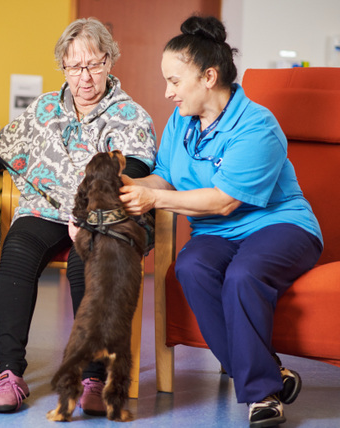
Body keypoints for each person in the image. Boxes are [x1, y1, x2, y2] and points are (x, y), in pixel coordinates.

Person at [0, 18, 156, 414]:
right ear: (62, 66)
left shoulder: (129, 114)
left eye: (94, 64)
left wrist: (89, 215)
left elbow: (131, 170)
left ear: (110, 61)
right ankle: (9, 374)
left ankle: (93, 377)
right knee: (17, 252)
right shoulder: (45, 108)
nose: (84, 77)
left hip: (102, 214)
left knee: (86, 264)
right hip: (44, 208)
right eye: (74, 66)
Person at [119, 16, 322, 428]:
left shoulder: (258, 126)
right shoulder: (180, 122)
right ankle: (270, 372)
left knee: (243, 275)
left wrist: (153, 198)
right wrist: (130, 186)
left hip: (280, 225)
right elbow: (165, 175)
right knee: (191, 268)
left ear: (209, 77)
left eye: (175, 81)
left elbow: (225, 201)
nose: (168, 92)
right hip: (215, 233)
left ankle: (262, 395)